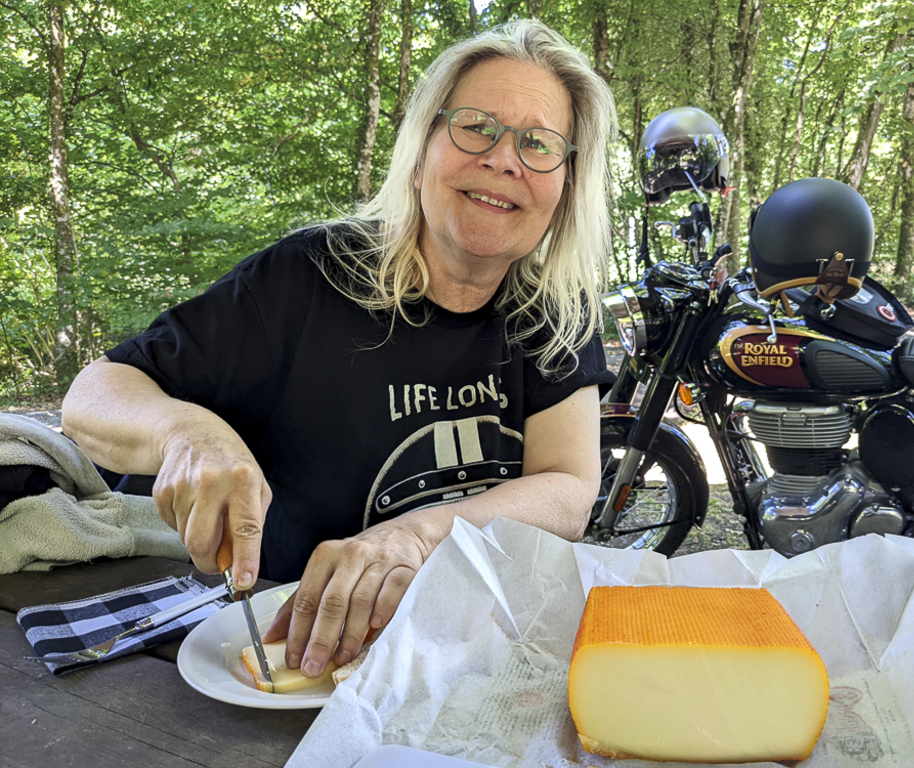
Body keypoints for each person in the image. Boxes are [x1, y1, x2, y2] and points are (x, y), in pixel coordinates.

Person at [62, 19, 618, 681]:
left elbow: (569, 491)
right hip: (291, 664)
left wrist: (416, 532)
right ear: (420, 151)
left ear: (566, 186)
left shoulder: (557, 304)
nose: (504, 159)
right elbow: (92, 397)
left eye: (539, 144)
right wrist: (187, 433)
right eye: (476, 126)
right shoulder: (308, 276)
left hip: (470, 657)